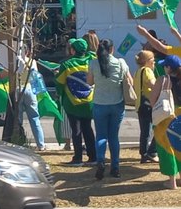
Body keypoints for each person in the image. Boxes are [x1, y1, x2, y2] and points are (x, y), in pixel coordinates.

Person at [87, 38, 128, 179]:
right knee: (113, 137)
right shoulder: (121, 63)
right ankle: (115, 167)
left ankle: (100, 162)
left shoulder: (93, 63)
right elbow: (129, 81)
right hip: (117, 103)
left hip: (100, 103)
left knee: (101, 136)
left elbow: (89, 81)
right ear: (112, 49)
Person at [0, 56, 46, 151]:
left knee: (17, 119)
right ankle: (41, 145)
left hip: (17, 90)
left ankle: (18, 142)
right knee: (35, 118)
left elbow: (1, 76)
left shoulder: (13, 62)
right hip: (30, 89)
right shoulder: (32, 61)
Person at [56, 38, 96, 166]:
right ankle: (93, 156)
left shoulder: (67, 64)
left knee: (76, 130)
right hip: (89, 101)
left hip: (72, 102)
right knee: (88, 128)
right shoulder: (91, 61)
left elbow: (60, 83)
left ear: (73, 50)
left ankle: (78, 157)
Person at [149, 54, 181, 189]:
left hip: (167, 116)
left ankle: (172, 181)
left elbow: (152, 100)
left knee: (167, 148)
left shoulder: (163, 80)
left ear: (168, 67)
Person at [134, 50, 159, 164]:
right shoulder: (147, 71)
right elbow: (153, 85)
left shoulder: (138, 71)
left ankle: (143, 154)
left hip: (140, 103)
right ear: (147, 61)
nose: (154, 62)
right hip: (148, 103)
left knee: (144, 131)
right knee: (159, 127)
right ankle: (152, 151)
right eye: (153, 60)